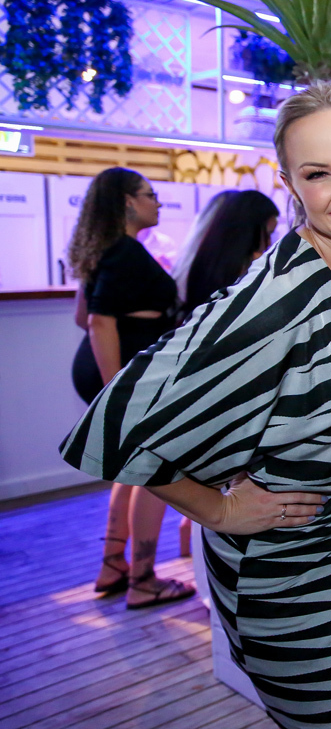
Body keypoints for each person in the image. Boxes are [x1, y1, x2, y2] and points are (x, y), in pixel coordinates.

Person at [62, 79, 331, 729]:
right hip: (293, 577)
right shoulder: (277, 299)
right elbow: (118, 426)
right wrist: (220, 509)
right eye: (319, 173)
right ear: (291, 185)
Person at [67, 167, 195, 609]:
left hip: (105, 369)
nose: (157, 202)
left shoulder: (104, 249)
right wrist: (116, 394)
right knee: (155, 470)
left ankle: (113, 564)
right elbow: (98, 321)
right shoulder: (123, 251)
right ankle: (143, 579)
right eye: (149, 194)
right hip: (123, 377)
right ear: (127, 201)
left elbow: (81, 317)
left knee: (131, 468)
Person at [180, 189, 279, 318]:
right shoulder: (248, 267)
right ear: (250, 231)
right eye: (268, 234)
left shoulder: (207, 259)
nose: (269, 242)